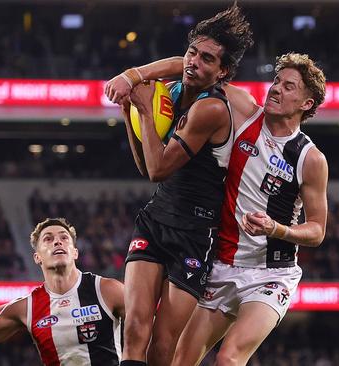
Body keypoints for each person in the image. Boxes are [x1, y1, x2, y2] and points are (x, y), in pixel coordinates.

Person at [109, 52, 328, 365]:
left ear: (307, 104)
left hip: (270, 274)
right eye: (277, 81)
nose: (276, 89)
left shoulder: (310, 158)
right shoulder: (244, 112)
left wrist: (276, 229)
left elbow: (317, 230)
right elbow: (191, 68)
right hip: (221, 264)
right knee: (179, 358)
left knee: (228, 358)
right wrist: (132, 75)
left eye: (289, 87)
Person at [113, 5, 254, 366]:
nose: (194, 62)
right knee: (134, 327)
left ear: (222, 73)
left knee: (163, 344)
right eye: (193, 52)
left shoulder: (212, 109)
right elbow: (146, 166)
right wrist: (129, 114)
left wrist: (144, 110)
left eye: (207, 59)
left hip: (195, 233)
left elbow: (159, 168)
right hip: (156, 219)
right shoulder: (172, 92)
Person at [0, 217, 125, 366]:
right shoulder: (26, 307)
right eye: (48, 239)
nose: (58, 242)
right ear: (37, 257)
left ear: (75, 253)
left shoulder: (106, 290)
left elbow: (148, 321)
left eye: (64, 238)